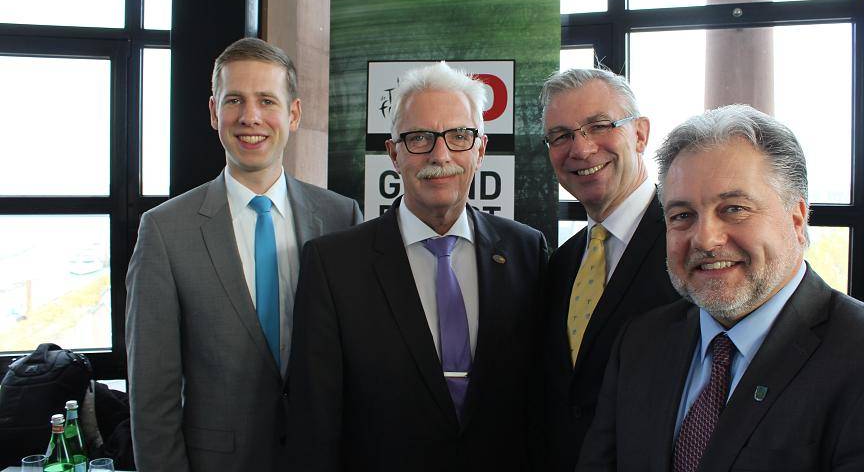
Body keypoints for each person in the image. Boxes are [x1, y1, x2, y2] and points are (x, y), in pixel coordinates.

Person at [577, 104, 864, 471]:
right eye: (682, 216)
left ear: (797, 219)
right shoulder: (641, 342)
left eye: (734, 209)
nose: (705, 239)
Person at [286, 62, 548, 471]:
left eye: (459, 136)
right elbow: (313, 425)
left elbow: (539, 400)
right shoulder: (333, 265)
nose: (439, 155)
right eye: (419, 137)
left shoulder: (526, 251)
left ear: (480, 150)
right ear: (394, 153)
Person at [125, 37, 362, 472]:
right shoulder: (164, 231)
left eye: (267, 100)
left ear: (293, 113)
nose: (250, 116)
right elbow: (151, 399)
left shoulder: (341, 215)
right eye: (234, 100)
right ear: (215, 113)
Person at [539, 67, 680, 471]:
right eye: (561, 135)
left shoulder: (688, 246)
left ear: (639, 134)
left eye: (599, 126)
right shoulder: (560, 264)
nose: (580, 149)